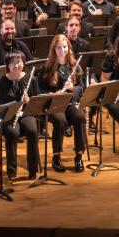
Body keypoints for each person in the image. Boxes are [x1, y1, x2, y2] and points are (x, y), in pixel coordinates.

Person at [39, 34, 87, 173]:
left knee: (80, 117)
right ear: (54, 49)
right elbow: (40, 90)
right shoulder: (47, 67)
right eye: (59, 48)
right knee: (60, 120)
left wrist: (73, 88)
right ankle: (56, 156)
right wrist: (52, 94)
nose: (62, 50)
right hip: (54, 104)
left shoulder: (74, 65)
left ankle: (79, 156)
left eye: (65, 47)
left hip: (70, 102)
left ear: (69, 48)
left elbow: (82, 87)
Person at [0, 53, 39, 179]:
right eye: (12, 62)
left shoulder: (31, 79)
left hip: (26, 113)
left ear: (23, 63)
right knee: (12, 133)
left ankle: (33, 170)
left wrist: (29, 101)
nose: (16, 65)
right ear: (7, 65)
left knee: (32, 131)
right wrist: (13, 107)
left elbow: (37, 101)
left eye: (19, 62)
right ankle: (11, 171)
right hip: (9, 115)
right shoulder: (1, 82)